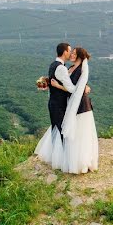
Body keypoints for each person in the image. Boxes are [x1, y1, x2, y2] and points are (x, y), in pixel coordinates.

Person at [34, 43, 97, 174]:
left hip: (61, 104)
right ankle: (65, 160)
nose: (71, 54)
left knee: (60, 130)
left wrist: (82, 86)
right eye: (70, 51)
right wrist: (57, 86)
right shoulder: (63, 68)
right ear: (64, 52)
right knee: (63, 131)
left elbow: (72, 83)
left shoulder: (54, 65)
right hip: (59, 105)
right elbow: (71, 88)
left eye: (73, 53)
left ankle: (65, 160)